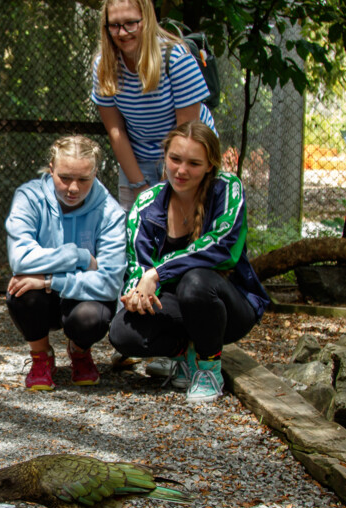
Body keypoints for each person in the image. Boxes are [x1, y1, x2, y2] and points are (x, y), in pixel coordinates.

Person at [107, 121, 270, 404]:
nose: (181, 170)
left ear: (210, 165)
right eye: (175, 159)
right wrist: (136, 294)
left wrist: (158, 273)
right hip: (176, 306)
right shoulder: (147, 203)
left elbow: (223, 247)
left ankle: (208, 369)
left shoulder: (228, 189)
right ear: (165, 158)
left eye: (194, 163)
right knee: (122, 332)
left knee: (195, 281)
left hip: (227, 307)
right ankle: (185, 354)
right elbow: (138, 264)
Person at [5, 136, 127, 391]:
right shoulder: (29, 197)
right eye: (65, 177)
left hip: (84, 297)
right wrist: (79, 257)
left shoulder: (111, 212)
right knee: (22, 290)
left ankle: (80, 351)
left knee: (90, 318)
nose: (73, 188)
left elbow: (109, 282)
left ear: (96, 173)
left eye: (83, 179)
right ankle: (41, 356)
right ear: (51, 168)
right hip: (51, 297)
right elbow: (20, 259)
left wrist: (50, 280)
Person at [91, 0, 217, 211]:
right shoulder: (103, 66)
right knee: (135, 227)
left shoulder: (176, 58)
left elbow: (186, 133)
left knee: (185, 224)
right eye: (114, 25)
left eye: (130, 23)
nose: (122, 33)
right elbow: (116, 131)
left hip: (185, 156)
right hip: (136, 156)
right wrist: (138, 184)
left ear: (146, 20)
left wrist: (168, 183)